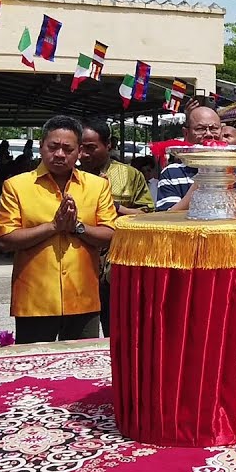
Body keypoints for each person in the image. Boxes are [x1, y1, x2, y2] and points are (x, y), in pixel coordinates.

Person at [0, 116, 117, 344]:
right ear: (41, 146)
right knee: (34, 368)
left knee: (81, 368)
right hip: (34, 300)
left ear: (79, 151)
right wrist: (53, 227)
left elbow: (110, 234)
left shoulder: (98, 186)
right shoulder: (16, 186)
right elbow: (5, 238)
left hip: (83, 297)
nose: (60, 154)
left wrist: (77, 227)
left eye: (67, 148)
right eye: (53, 147)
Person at [79, 117, 153, 337]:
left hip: (116, 264)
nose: (84, 155)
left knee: (117, 331)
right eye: (80, 148)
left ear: (108, 145)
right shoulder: (68, 175)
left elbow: (148, 215)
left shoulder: (129, 176)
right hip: (78, 265)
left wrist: (115, 206)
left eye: (91, 148)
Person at [155, 106, 236, 212]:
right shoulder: (172, 173)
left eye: (214, 128)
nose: (209, 134)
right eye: (200, 129)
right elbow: (167, 217)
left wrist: (222, 185)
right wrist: (204, 180)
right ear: (186, 133)